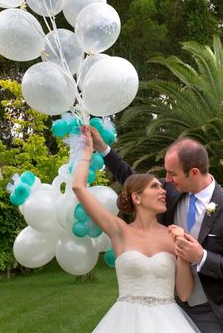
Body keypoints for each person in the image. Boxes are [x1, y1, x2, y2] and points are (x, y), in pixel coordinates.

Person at [91, 130, 223, 333]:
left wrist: (202, 257)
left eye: (172, 173)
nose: (166, 179)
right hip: (167, 309)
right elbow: (132, 179)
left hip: (211, 310)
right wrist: (103, 149)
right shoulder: (168, 192)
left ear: (194, 173)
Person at [73, 126, 201, 333]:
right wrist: (87, 150)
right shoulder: (118, 230)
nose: (163, 191)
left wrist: (184, 254)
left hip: (169, 323)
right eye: (154, 187)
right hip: (124, 322)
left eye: (161, 187)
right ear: (136, 197)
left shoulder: (174, 236)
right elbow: (79, 187)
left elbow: (184, 294)